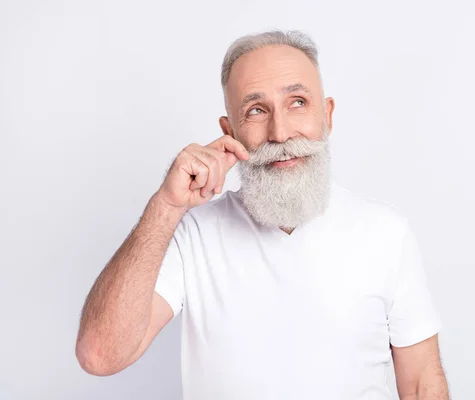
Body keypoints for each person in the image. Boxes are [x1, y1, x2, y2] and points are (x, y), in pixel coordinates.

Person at [75, 29, 450, 399]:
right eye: (256, 111)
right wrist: (166, 206)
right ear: (230, 131)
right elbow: (100, 355)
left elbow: (420, 384)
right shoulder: (194, 234)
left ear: (327, 115)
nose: (281, 132)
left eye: (298, 102)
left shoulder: (385, 233)